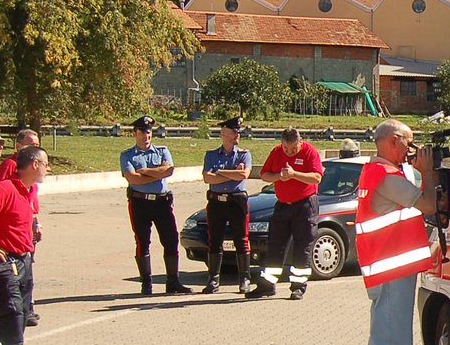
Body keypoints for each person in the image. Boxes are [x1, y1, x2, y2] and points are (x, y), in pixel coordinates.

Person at [355, 119, 435, 345]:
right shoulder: (386, 177)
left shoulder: (380, 173)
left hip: (388, 271)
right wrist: (427, 171)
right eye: (408, 142)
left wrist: (415, 168)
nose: (411, 148)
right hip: (390, 273)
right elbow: (427, 203)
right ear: (393, 141)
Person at [0, 145, 48, 345]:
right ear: (34, 164)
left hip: (23, 259)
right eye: (45, 163)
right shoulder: (5, 189)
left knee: (14, 313)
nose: (47, 168)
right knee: (14, 312)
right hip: (4, 260)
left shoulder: (26, 191)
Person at [120, 115, 192, 296]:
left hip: (162, 202)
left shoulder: (162, 151)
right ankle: (146, 282)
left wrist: (144, 172)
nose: (146, 137)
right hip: (139, 202)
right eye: (142, 133)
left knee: (171, 239)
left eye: (149, 133)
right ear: (135, 134)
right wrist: (156, 173)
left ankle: (173, 281)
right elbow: (132, 178)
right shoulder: (127, 155)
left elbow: (168, 171)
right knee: (142, 241)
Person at [250, 126, 324, 300]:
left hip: (305, 205)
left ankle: (298, 286)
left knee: (302, 246)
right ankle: (268, 284)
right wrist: (279, 177)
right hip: (283, 205)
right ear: (281, 143)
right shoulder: (276, 152)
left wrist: (293, 174)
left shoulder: (310, 152)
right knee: (275, 244)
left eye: (293, 149)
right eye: (286, 148)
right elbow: (265, 175)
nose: (289, 152)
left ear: (300, 142)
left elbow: (317, 177)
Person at [201, 116, 253, 294]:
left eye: (238, 131)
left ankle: (244, 279)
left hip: (237, 201)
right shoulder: (211, 155)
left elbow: (243, 175)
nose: (237, 134)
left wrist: (219, 172)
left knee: (241, 240)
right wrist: (232, 173)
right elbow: (207, 177)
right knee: (215, 241)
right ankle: (213, 279)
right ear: (223, 133)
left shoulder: (244, 154)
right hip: (216, 202)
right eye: (233, 131)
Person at [0, 129, 43, 325]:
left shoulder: (34, 171)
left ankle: (27, 309)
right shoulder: (11, 166)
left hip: (27, 222)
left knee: (28, 267)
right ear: (18, 146)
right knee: (17, 274)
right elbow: (3, 197)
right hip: (11, 231)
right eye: (30, 144)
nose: (35, 148)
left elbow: (31, 198)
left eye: (37, 144)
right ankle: (19, 311)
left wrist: (36, 221)